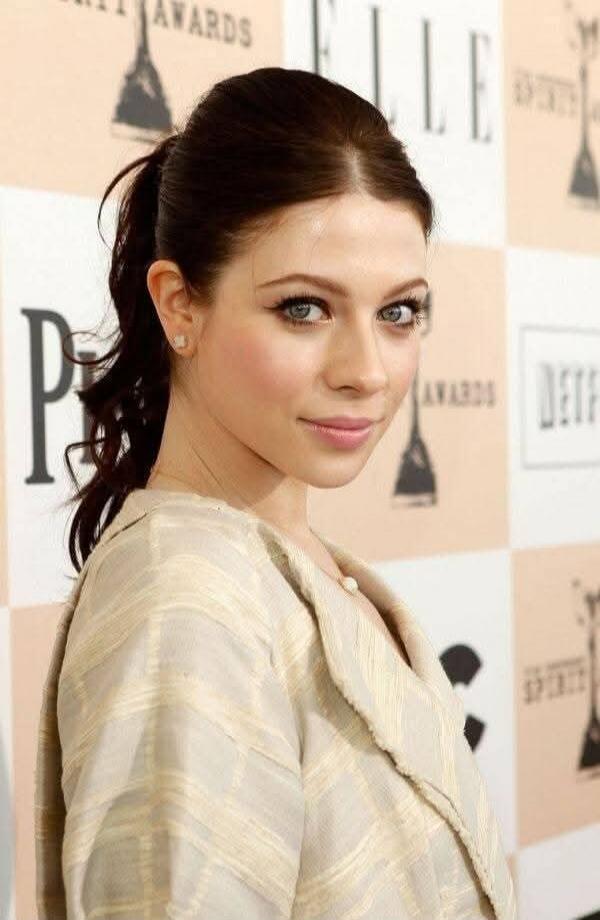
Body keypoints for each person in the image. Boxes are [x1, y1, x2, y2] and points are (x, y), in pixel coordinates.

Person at [34, 66, 516, 919]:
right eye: (304, 308)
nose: (367, 372)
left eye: (399, 312)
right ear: (180, 304)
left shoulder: (301, 568)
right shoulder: (184, 603)